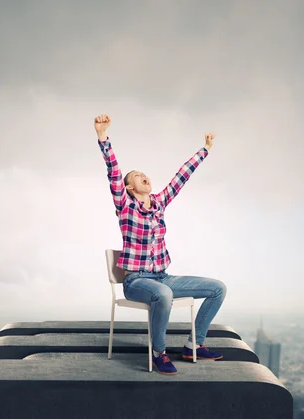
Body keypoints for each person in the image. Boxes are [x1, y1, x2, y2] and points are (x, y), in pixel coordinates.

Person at [95, 113, 227, 375]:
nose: (144, 176)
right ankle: (158, 354)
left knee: (217, 289)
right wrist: (102, 137)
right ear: (130, 188)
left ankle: (194, 344)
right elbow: (113, 171)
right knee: (163, 295)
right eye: (137, 176)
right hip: (136, 282)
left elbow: (181, 176)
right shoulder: (125, 205)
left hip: (163, 277)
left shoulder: (159, 203)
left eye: (145, 174)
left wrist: (205, 150)